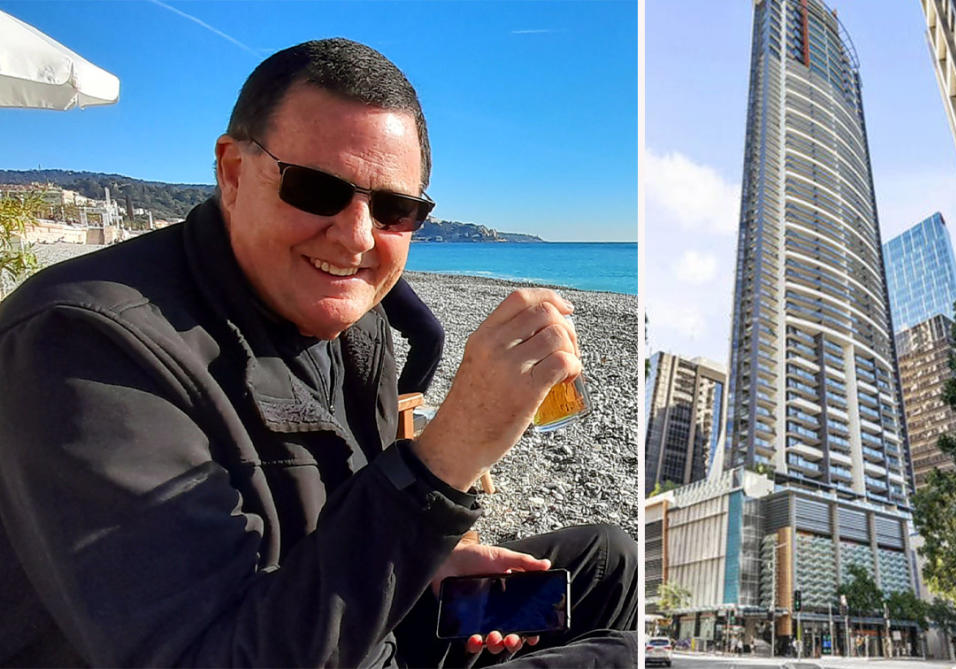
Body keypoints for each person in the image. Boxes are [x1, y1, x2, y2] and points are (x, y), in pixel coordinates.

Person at [0, 38, 636, 667]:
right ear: (232, 171)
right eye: (315, 189)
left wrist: (430, 558)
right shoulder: (85, 346)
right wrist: (451, 451)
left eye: (394, 208)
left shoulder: (350, 318)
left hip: (348, 620)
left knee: (609, 565)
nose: (357, 236)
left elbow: (357, 509)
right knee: (627, 657)